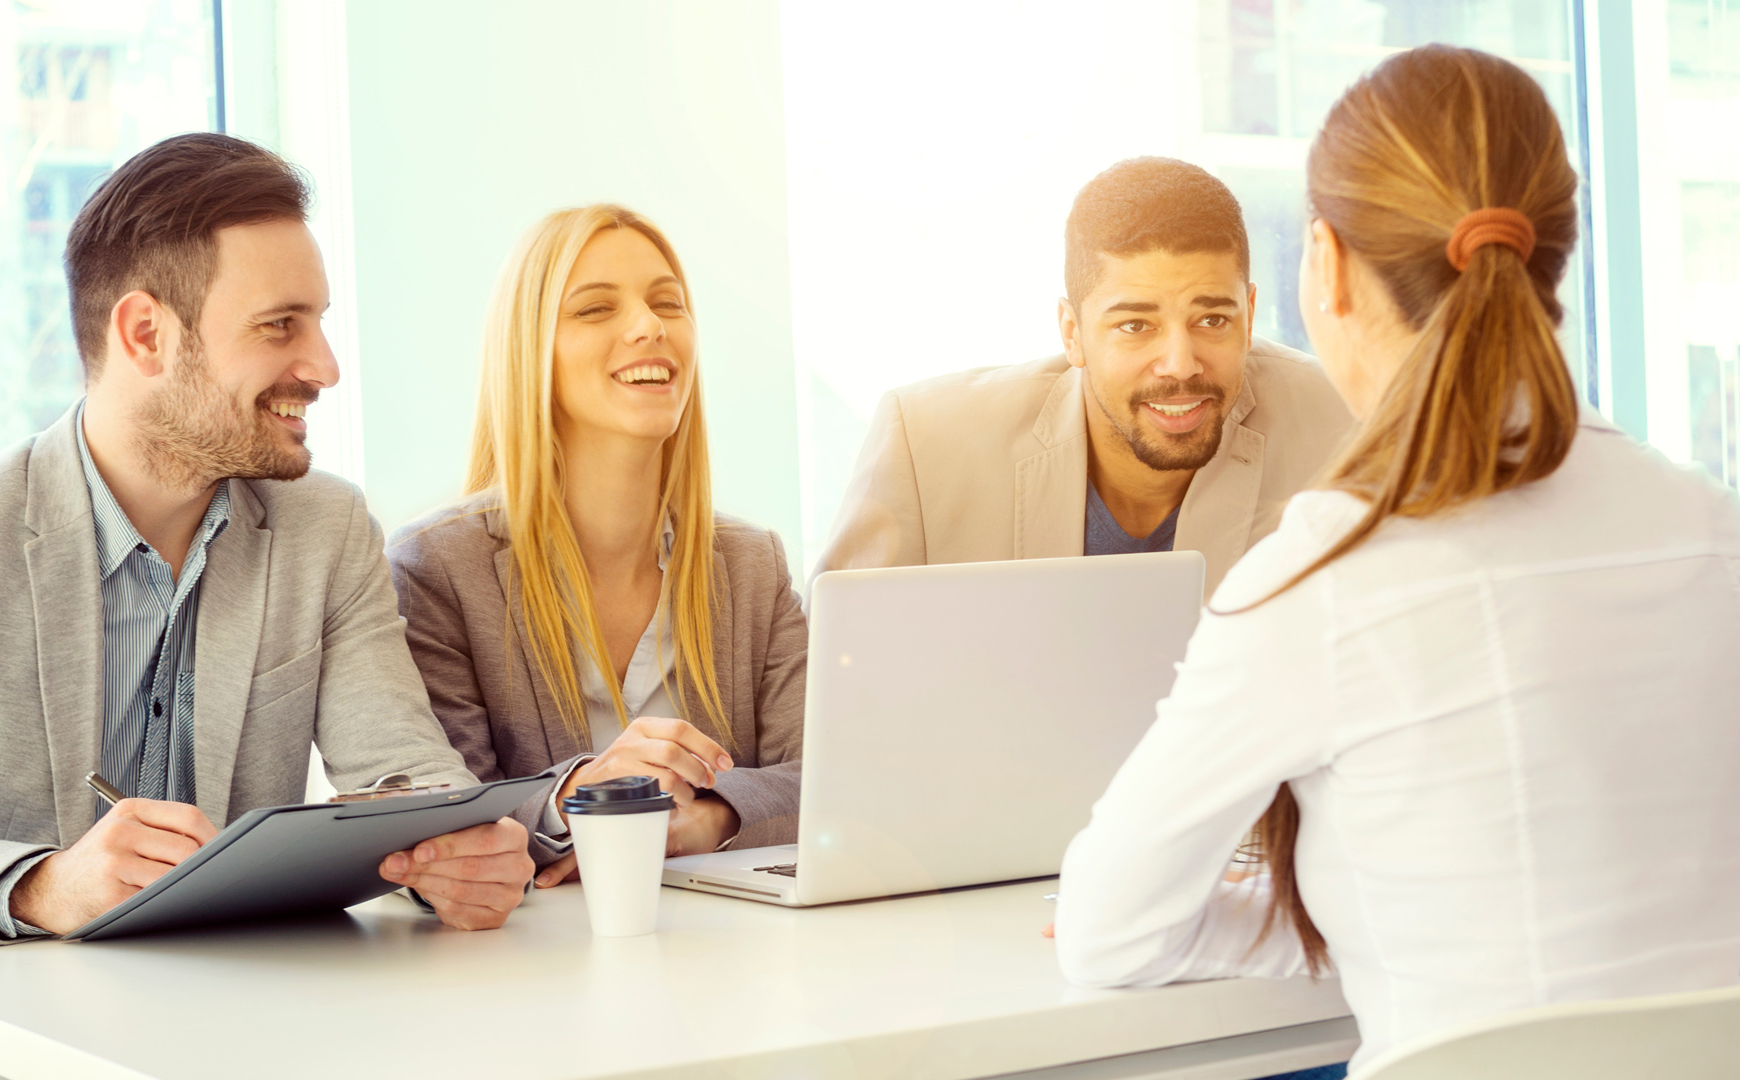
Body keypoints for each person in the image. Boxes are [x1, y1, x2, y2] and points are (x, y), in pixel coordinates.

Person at [1052, 45, 1740, 1076]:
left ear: (1323, 266)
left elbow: (1111, 931)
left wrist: (1367, 917)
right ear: (1559, 250)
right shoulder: (1712, 530)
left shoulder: (1322, 577)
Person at [0, 134, 533, 1074]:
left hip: (242, 1041)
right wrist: (39, 887)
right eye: (281, 326)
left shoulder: (324, 528)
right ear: (145, 334)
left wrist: (457, 855)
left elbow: (404, 778)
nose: (323, 365)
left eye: (319, 322)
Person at [386, 204, 806, 888]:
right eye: (595, 309)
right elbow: (439, 811)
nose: (649, 326)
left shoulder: (754, 563)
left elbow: (828, 779)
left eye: (666, 302)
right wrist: (581, 799)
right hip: (522, 969)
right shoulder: (436, 568)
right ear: (530, 352)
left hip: (729, 959)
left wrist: (709, 821)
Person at [813, 158, 1355, 599]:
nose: (1181, 362)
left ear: (1250, 313)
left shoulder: (1345, 426)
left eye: (1212, 319)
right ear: (1072, 332)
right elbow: (834, 681)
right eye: (1135, 325)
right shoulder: (925, 443)